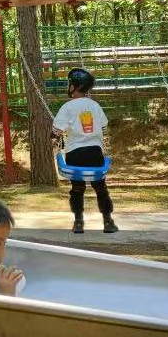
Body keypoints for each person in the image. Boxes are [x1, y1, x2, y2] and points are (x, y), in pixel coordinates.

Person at [51, 67, 117, 235]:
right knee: (100, 187)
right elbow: (104, 126)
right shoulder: (95, 105)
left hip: (75, 153)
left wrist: (55, 141)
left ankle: (79, 222)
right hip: (95, 152)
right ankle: (108, 221)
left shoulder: (67, 107)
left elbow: (56, 131)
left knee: (77, 188)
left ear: (74, 86)